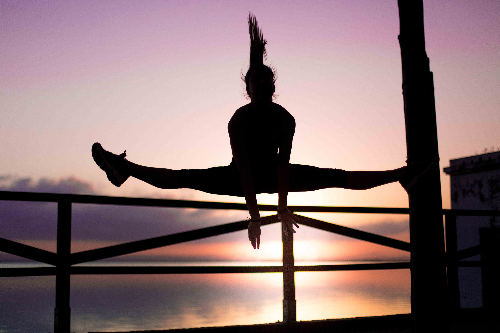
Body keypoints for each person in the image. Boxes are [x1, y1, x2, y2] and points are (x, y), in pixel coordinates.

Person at [92, 14, 435, 249]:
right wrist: (255, 217)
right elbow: (243, 170)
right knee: (184, 177)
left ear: (272, 85)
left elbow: (284, 166)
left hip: (274, 176)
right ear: (248, 87)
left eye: (265, 78)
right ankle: (124, 169)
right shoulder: (238, 120)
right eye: (254, 79)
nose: (260, 82)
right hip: (237, 178)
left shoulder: (286, 119)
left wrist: (282, 209)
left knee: (337, 175)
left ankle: (401, 175)